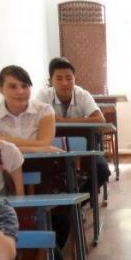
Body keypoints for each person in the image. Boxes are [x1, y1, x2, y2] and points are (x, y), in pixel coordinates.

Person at [36, 57, 111, 186]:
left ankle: (80, 196)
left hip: (84, 149)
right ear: (51, 81)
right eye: (59, 79)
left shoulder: (82, 94)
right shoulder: (44, 95)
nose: (65, 83)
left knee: (102, 170)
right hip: (53, 148)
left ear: (75, 79)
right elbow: (36, 121)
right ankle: (66, 193)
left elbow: (100, 119)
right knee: (44, 172)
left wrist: (63, 121)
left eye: (69, 78)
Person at [0, 65, 57, 153]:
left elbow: (45, 144)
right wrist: (38, 148)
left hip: (39, 160)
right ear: (1, 89)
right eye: (13, 87)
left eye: (24, 86)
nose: (20, 92)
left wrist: (3, 140)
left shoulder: (44, 110)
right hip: (2, 161)